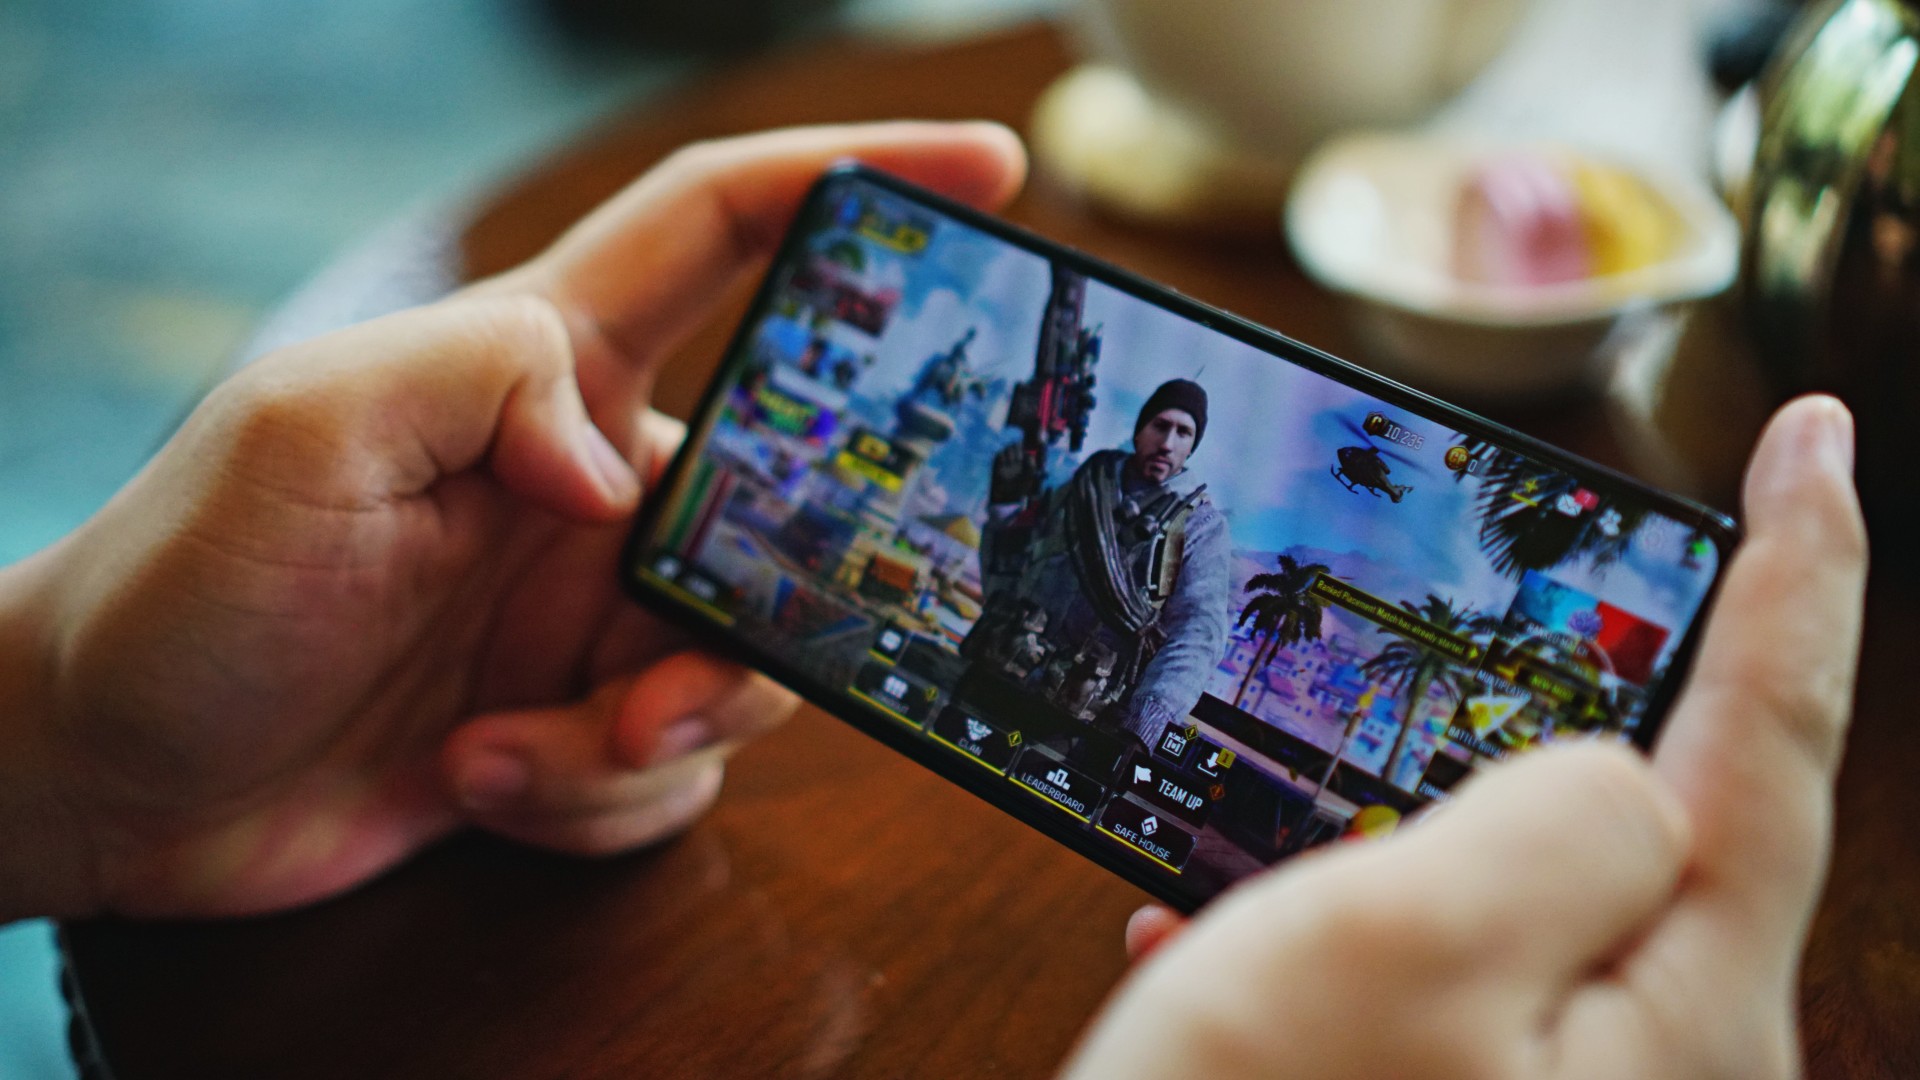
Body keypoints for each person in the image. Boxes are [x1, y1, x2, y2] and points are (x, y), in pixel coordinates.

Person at [0, 123, 1868, 1079]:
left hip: (1091, 710)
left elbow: (1185, 641)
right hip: (1012, 666)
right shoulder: (1084, 479)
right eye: (1155, 411)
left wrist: (74, 755)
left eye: (1178, 420)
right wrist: (62, 742)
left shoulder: (1200, 536)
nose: (1161, 428)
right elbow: (1021, 532)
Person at [967, 379, 1232, 749]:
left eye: (1183, 433)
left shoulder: (1201, 527)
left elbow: (1199, 632)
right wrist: (1004, 508)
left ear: (1192, 446)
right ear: (1139, 430)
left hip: (1071, 720)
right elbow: (1015, 573)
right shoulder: (1089, 481)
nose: (1168, 443)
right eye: (1160, 426)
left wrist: (1143, 728)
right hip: (997, 674)